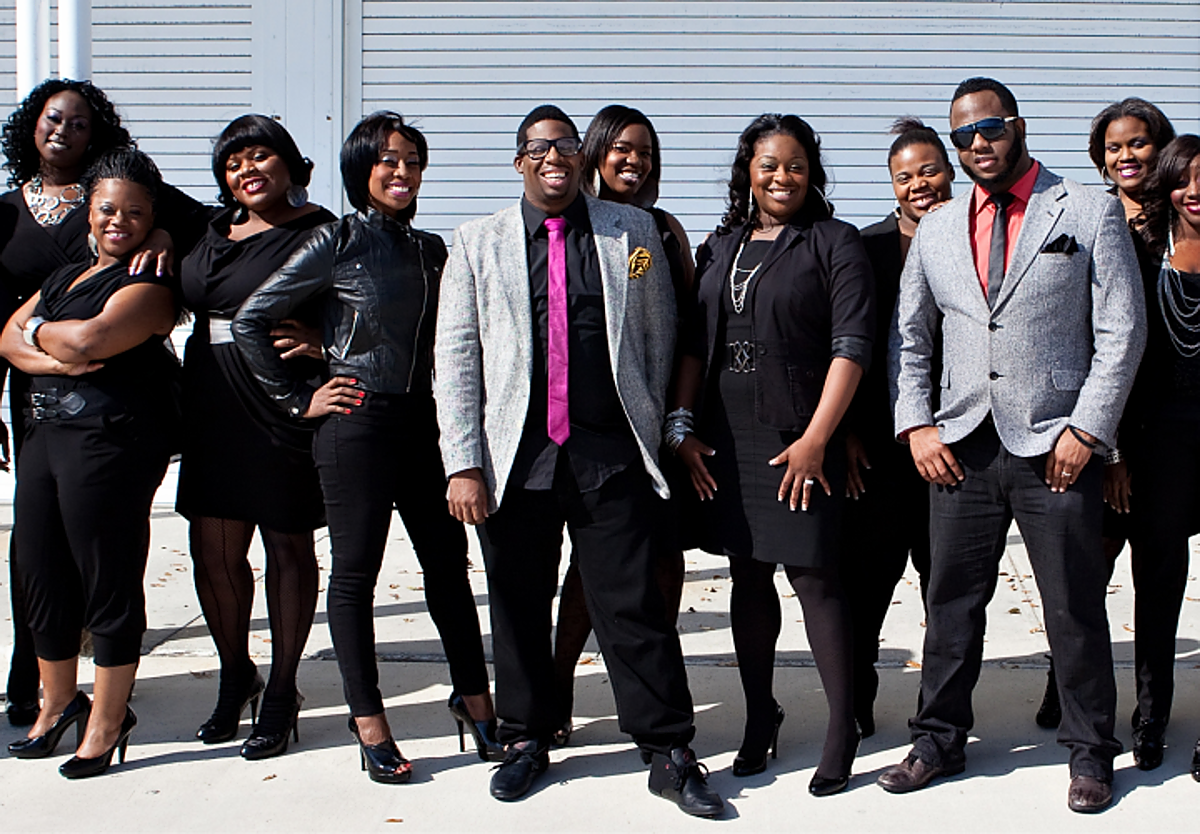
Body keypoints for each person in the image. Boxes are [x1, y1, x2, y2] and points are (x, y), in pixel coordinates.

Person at [434, 104, 722, 817]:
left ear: (580, 157)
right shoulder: (476, 242)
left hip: (611, 454)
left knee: (633, 607)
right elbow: (457, 357)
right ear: (519, 163)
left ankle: (668, 749)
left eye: (564, 144)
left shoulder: (633, 234)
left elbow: (658, 337)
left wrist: (657, 433)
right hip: (516, 458)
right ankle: (526, 738)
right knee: (518, 604)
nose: (552, 157)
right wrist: (463, 463)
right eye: (538, 148)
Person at [882, 77, 1146, 813]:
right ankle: (938, 738)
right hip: (959, 447)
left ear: (1018, 126)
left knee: (1073, 607)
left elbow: (1123, 329)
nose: (978, 144)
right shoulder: (937, 227)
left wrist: (1087, 430)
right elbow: (910, 338)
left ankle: (1090, 749)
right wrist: (916, 424)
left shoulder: (1085, 209)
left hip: (1055, 445)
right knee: (950, 604)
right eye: (963, 135)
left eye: (989, 128)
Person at [233, 112, 500, 783]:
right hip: (356, 425)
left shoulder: (434, 249)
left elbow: (453, 339)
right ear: (361, 170)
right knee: (355, 575)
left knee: (448, 568)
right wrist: (300, 398)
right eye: (388, 160)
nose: (402, 171)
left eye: (412, 160)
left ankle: (476, 702)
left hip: (425, 425)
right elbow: (251, 320)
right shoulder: (336, 240)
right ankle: (369, 720)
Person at [671, 113, 873, 796]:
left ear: (811, 172)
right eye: (769, 165)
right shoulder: (719, 244)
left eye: (795, 164)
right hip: (726, 436)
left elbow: (852, 346)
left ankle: (842, 728)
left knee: (815, 577)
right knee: (748, 575)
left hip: (799, 435)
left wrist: (817, 438)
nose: (782, 176)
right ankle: (761, 715)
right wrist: (682, 428)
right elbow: (694, 344)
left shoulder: (834, 242)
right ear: (747, 173)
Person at [0, 78, 203, 726]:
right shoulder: (7, 212)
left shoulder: (125, 196)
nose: (63, 130)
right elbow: (2, 328)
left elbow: (204, 224)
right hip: (37, 394)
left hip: (113, 395)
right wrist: (42, 351)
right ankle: (36, 685)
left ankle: (108, 697)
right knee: (36, 552)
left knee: (100, 552)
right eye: (52, 118)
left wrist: (163, 234)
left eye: (79, 122)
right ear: (32, 124)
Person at [177, 115, 336, 758]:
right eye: (233, 161)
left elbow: (369, 303)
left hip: (279, 400)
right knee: (213, 551)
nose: (247, 169)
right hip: (211, 401)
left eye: (260, 155)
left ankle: (283, 689)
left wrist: (327, 347)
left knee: (285, 547)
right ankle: (237, 673)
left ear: (290, 163)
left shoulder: (320, 230)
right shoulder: (209, 231)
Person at [551, 103, 695, 743]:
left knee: (663, 563)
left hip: (659, 424)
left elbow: (676, 320)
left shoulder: (653, 232)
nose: (634, 161)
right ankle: (557, 685)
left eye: (646, 153)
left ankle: (655, 692)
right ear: (595, 153)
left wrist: (678, 419)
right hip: (592, 432)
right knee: (590, 571)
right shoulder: (572, 227)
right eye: (622, 149)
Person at [1034, 97, 1177, 733]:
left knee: (1158, 574)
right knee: (1084, 571)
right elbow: (1092, 339)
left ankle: (1150, 708)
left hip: (1168, 429)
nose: (1126, 156)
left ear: (1160, 147)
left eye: (1138, 143)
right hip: (1101, 426)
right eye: (1114, 147)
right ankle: (1066, 685)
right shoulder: (1090, 218)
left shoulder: (1179, 223)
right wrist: (1108, 448)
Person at [841, 117, 954, 738]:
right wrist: (849, 433)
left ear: (950, 171)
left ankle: (938, 710)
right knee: (866, 587)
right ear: (891, 186)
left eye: (928, 170)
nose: (919, 185)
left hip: (955, 449)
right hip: (878, 454)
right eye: (904, 177)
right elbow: (845, 346)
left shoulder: (976, 238)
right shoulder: (866, 248)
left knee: (948, 592)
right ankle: (857, 698)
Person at [1127, 134, 1200, 780]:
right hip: (1159, 444)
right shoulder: (1142, 253)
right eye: (1183, 179)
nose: (1195, 192)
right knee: (1158, 582)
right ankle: (1151, 715)